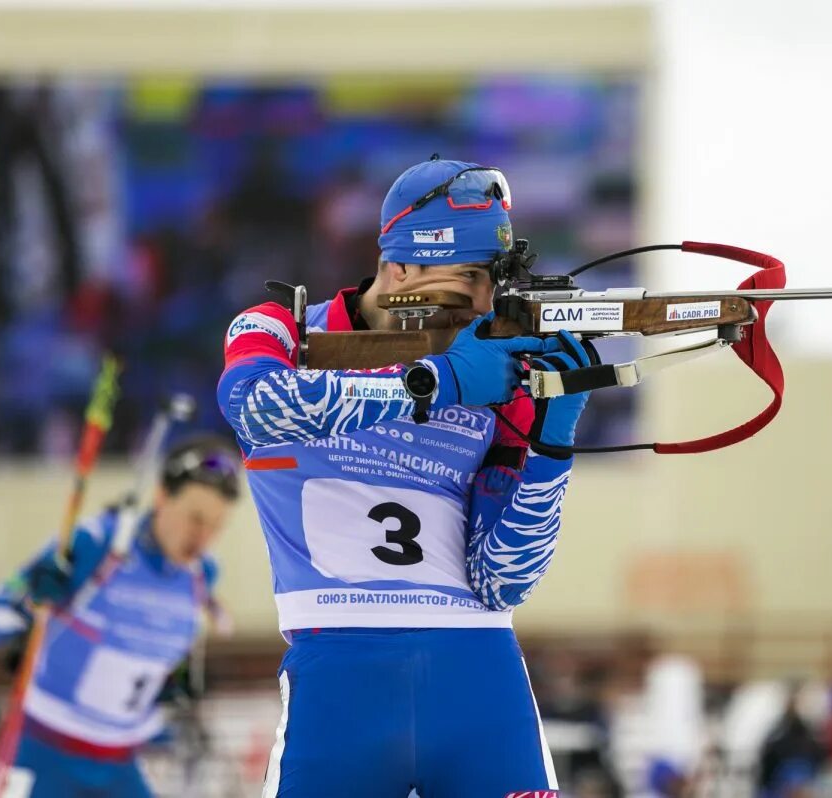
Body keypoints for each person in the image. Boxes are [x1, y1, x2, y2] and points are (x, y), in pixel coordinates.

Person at [217, 157, 596, 796]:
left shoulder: (497, 379)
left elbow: (503, 581)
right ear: (400, 270)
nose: (483, 302)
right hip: (339, 673)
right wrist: (434, 384)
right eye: (469, 276)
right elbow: (255, 406)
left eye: (493, 281)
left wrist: (552, 444)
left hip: (479, 678)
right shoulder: (282, 328)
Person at [0, 435, 241, 798]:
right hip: (43, 750)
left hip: (118, 765)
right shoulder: (99, 545)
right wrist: (22, 619)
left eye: (217, 526)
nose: (203, 537)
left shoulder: (202, 575)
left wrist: (175, 686)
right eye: (195, 518)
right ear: (160, 497)